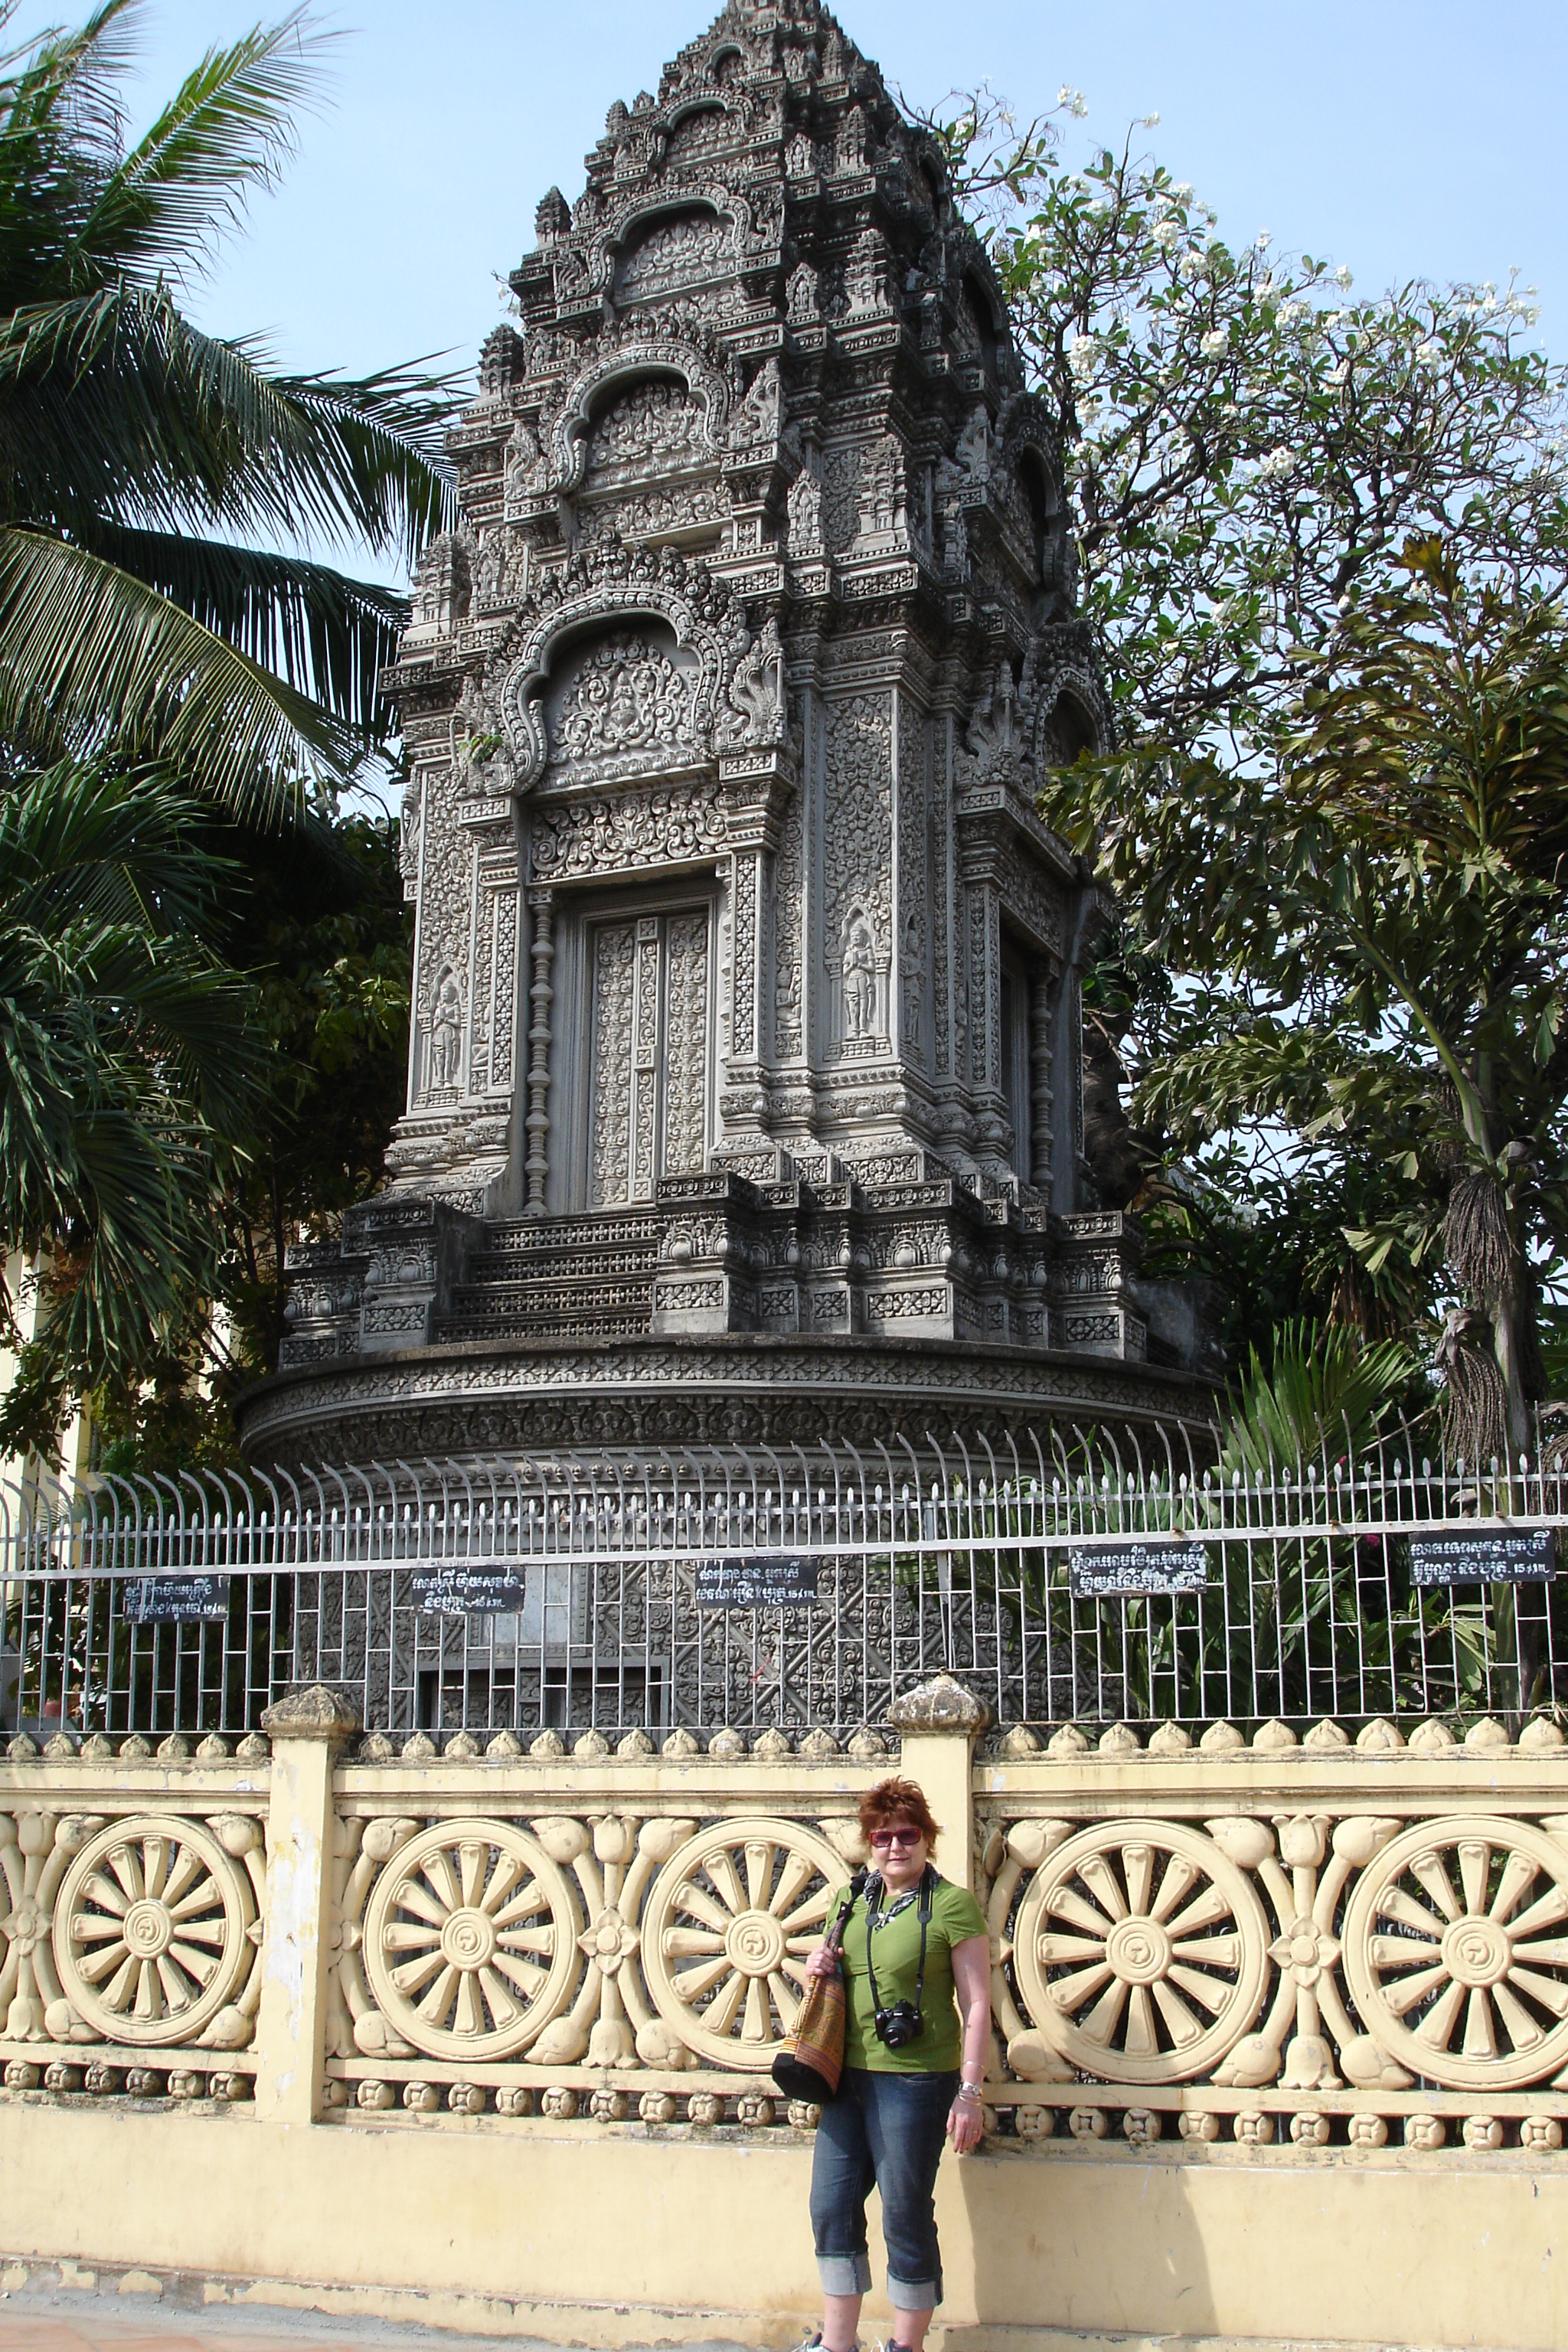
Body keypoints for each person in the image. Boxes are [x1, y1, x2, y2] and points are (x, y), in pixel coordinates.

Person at [800, 1775, 991, 2352]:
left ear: (927, 1838)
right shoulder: (851, 1898)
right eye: (882, 1837)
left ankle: (906, 2347)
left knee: (905, 2212)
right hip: (845, 2075)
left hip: (916, 2080)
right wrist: (816, 1963)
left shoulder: (953, 1906)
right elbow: (834, 1972)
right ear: (869, 1843)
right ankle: (839, 2344)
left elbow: (977, 2001)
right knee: (832, 2206)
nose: (894, 1848)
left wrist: (970, 2092)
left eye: (907, 1835)